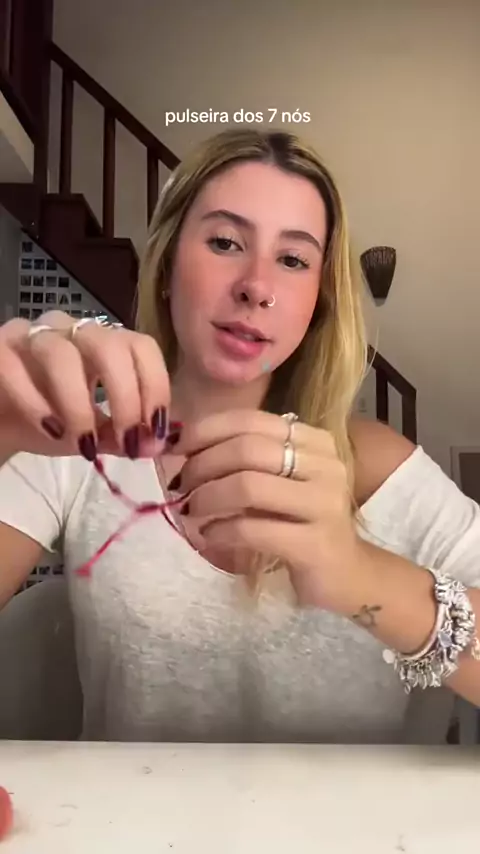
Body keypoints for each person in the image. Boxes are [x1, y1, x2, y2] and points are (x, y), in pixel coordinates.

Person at [0, 128, 478, 745]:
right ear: (167, 266)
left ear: (317, 303)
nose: (257, 286)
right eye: (226, 242)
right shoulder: (76, 443)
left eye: (293, 259)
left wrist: (359, 574)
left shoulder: (381, 469)